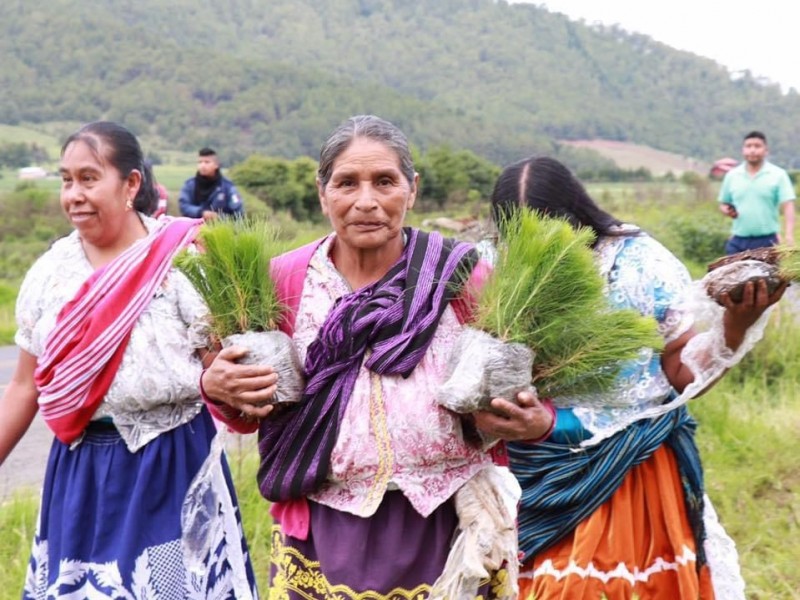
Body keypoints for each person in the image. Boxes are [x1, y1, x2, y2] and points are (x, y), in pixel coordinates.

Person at [199, 115, 554, 600]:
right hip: (324, 529)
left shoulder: (463, 279)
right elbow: (244, 409)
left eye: (384, 181)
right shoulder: (283, 282)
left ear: (412, 190)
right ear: (323, 192)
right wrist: (217, 389)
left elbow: (536, 391)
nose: (366, 201)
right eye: (347, 183)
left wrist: (536, 421)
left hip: (449, 527)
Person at [489, 156, 786, 600]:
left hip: (626, 469)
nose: (539, 248)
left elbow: (680, 369)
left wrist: (736, 326)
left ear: (578, 218)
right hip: (527, 477)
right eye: (520, 236)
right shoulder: (492, 269)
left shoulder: (640, 264)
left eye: (553, 231)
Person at [0, 121, 258, 598]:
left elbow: (221, 368)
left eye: (89, 178)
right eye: (66, 179)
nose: (74, 194)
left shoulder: (182, 261)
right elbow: (23, 386)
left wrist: (226, 381)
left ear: (131, 183)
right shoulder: (50, 275)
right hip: (80, 476)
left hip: (170, 466)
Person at [718, 130, 796, 254]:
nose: (752, 150)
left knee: (768, 274)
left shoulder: (778, 175)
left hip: (768, 241)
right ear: (743, 150)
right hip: (738, 241)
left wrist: (789, 236)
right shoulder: (732, 175)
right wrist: (727, 210)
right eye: (748, 146)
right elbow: (723, 203)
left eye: (757, 146)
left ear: (766, 150)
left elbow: (788, 206)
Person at [179, 147, 244, 221]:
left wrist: (219, 217)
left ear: (216, 165)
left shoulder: (227, 187)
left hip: (219, 229)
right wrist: (201, 212)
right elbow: (184, 206)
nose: (202, 165)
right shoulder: (189, 185)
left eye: (207, 162)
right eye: (200, 162)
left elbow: (238, 213)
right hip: (193, 228)